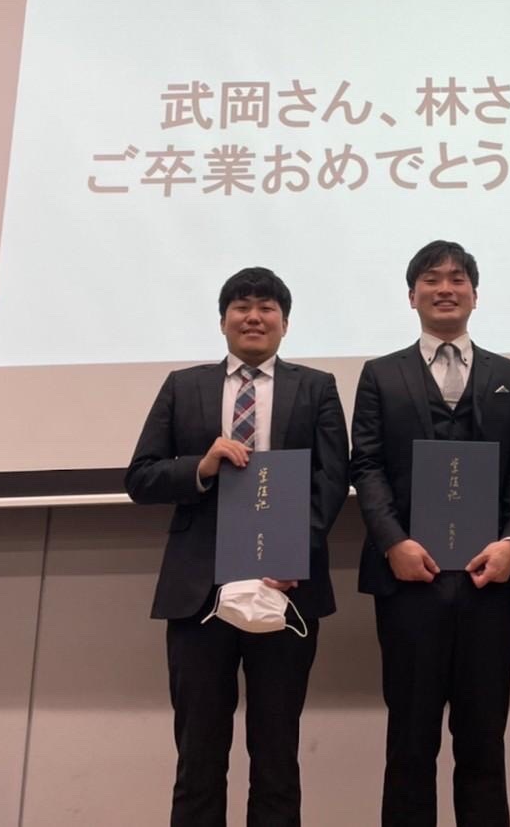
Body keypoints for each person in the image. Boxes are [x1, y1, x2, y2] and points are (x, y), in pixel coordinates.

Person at [125, 267, 348, 827]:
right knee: (198, 754)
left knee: (277, 754)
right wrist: (199, 467)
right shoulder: (183, 386)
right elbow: (141, 477)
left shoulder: (316, 387)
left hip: (286, 587)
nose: (254, 317)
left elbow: (331, 479)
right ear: (223, 320)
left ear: (285, 323)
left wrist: (294, 551)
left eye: (266, 307)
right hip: (199, 591)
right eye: (241, 307)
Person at [350, 240, 510, 827]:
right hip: (408, 580)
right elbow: (367, 466)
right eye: (431, 279)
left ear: (475, 295)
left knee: (483, 742)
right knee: (410, 742)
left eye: (458, 279)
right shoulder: (380, 374)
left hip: (490, 581)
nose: (445, 288)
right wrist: (393, 542)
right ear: (412, 296)